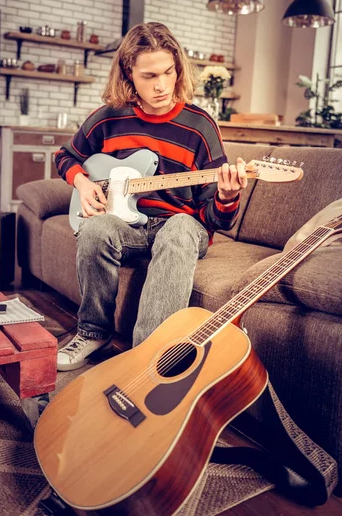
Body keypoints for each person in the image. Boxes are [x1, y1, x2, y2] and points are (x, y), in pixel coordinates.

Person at [54, 22, 247, 371]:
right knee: (96, 229)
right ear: (129, 75)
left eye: (168, 72)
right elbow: (65, 156)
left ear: (178, 69)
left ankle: (148, 355)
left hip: (180, 227)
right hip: (128, 227)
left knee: (177, 229)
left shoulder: (201, 126)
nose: (160, 85)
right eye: (148, 76)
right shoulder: (109, 119)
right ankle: (93, 332)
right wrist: (83, 185)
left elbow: (216, 220)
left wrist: (227, 195)